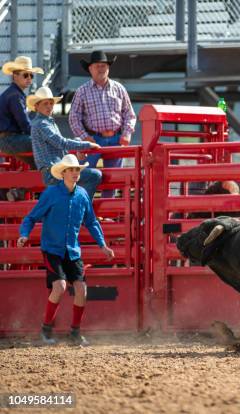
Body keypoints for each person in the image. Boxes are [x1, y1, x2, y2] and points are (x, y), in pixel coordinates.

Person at [17, 153, 115, 345]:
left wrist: (102, 244)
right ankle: (46, 330)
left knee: (81, 290)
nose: (75, 173)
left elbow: (91, 222)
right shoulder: (51, 194)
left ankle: (75, 333)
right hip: (52, 249)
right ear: (63, 173)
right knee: (60, 286)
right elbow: (31, 217)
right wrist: (24, 234)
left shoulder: (82, 195)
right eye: (71, 170)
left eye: (77, 169)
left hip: (72, 250)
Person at [68, 51, 136, 198]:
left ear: (108, 68)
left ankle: (108, 214)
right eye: (97, 66)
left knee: (113, 178)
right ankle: (84, 209)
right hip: (93, 140)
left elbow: (129, 114)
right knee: (85, 175)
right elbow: (73, 117)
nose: (101, 69)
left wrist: (127, 133)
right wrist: (85, 137)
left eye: (104, 65)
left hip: (116, 138)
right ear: (90, 69)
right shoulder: (82, 91)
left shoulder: (119, 88)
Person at [29, 87, 102, 200]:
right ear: (36, 106)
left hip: (54, 172)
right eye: (45, 104)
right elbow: (61, 142)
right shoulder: (42, 124)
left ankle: (78, 207)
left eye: (51, 103)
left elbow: (59, 145)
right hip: (54, 172)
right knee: (94, 175)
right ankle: (81, 208)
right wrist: (87, 145)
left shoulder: (44, 122)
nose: (49, 106)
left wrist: (78, 146)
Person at [0, 56, 41, 201]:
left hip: (9, 140)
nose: (29, 78)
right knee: (45, 155)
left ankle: (17, 191)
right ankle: (19, 191)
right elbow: (25, 124)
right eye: (25, 75)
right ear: (15, 75)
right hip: (11, 140)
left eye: (31, 75)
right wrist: (42, 135)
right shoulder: (15, 96)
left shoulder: (12, 93)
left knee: (40, 164)